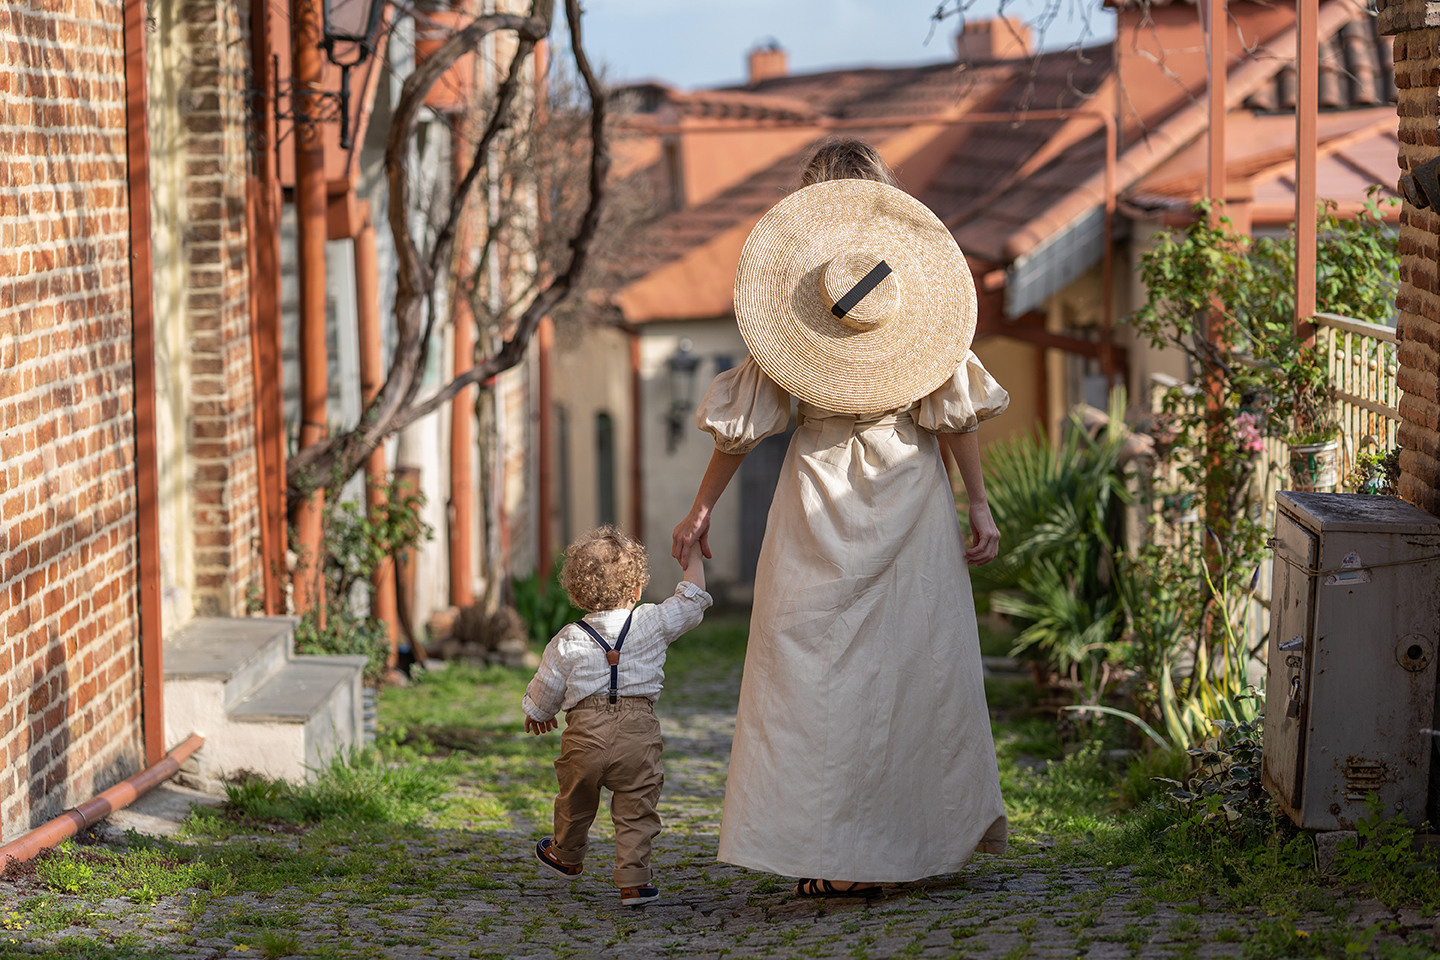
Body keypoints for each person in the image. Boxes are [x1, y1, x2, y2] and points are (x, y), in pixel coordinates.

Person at [671, 137, 1009, 898]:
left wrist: (701, 508)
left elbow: (744, 422)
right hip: (913, 488)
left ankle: (828, 852)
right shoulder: (918, 293)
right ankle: (916, 843)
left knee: (808, 674)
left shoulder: (801, 297)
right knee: (913, 668)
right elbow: (955, 413)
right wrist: (977, 503)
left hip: (817, 490)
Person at [523, 526, 712, 906]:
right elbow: (693, 601)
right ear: (637, 590)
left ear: (578, 594)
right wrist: (689, 556)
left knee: (575, 798)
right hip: (638, 733)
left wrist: (537, 712)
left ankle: (566, 855)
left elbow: (547, 685)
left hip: (585, 734)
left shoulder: (568, 638)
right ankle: (634, 880)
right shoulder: (652, 621)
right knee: (637, 806)